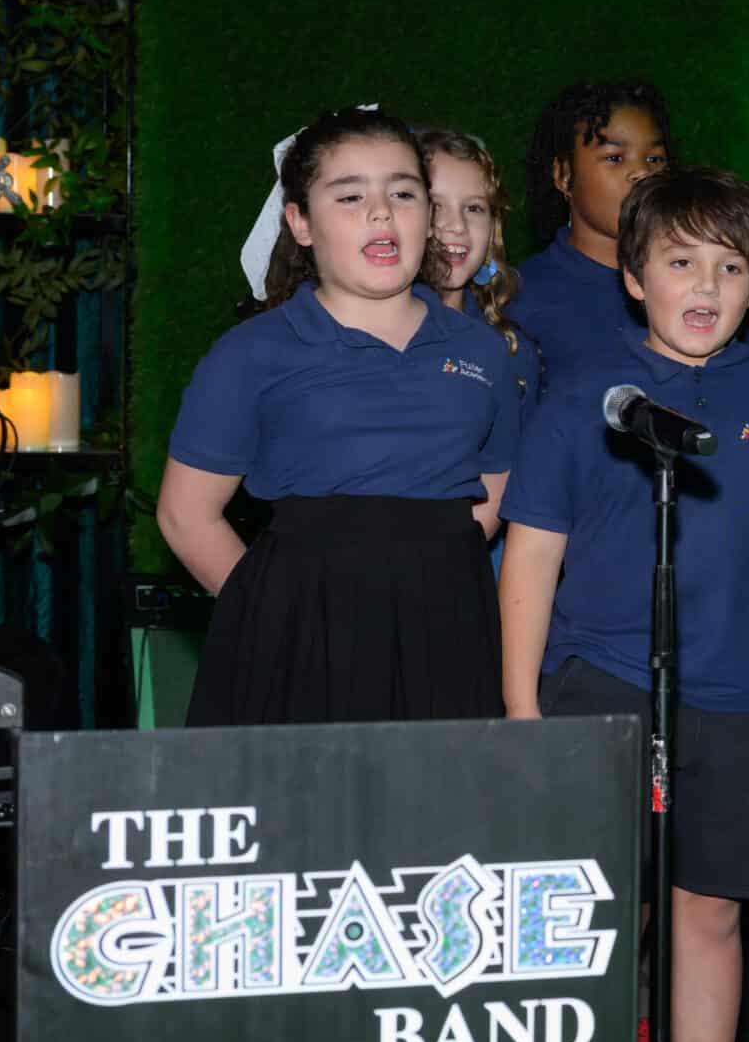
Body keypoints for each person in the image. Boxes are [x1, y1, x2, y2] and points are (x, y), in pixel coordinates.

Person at [499, 166, 749, 1042]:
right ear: (634, 276)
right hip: (605, 680)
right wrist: (523, 705)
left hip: (748, 694)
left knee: (712, 909)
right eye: (681, 262)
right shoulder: (586, 398)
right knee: (599, 909)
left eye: (731, 267)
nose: (706, 286)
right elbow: (531, 555)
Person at [157, 107, 517, 726]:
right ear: (299, 223)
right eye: (350, 197)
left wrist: (422, 583)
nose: (381, 213)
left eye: (403, 193)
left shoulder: (482, 351)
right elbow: (185, 514)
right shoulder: (252, 352)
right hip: (298, 642)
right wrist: (275, 613)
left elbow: (490, 497)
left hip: (447, 634)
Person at [506, 79, 671, 393]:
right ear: (564, 175)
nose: (642, 173)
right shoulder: (518, 299)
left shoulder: (694, 284)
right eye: (614, 158)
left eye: (654, 159)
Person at [419, 125, 533, 412]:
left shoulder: (512, 348)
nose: (457, 225)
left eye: (474, 208)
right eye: (435, 206)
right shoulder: (369, 338)